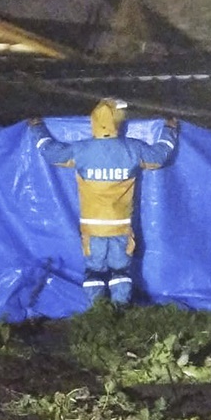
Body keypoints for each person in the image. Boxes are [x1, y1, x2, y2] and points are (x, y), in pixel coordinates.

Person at [29, 98, 178, 306]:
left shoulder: (81, 150)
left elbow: (51, 153)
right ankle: (120, 309)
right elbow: (159, 156)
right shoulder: (132, 149)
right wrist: (170, 129)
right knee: (121, 270)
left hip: (93, 228)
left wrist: (37, 128)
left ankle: (97, 310)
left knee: (94, 270)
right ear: (118, 123)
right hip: (120, 226)